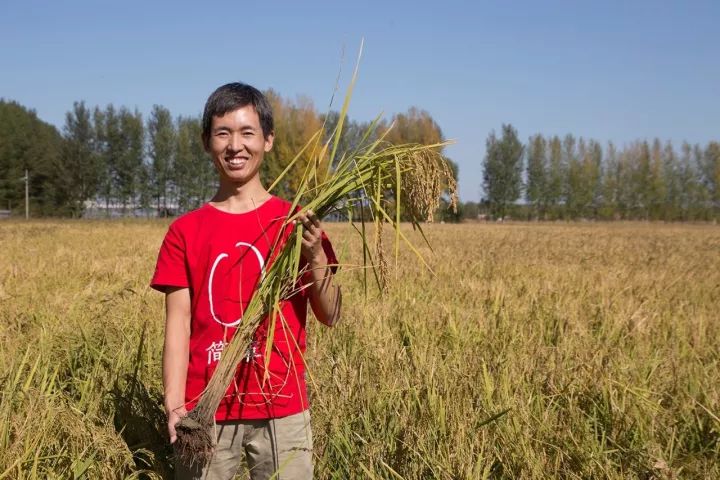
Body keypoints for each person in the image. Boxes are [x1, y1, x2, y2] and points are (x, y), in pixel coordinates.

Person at [150, 82, 341, 480]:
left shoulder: (297, 224)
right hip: (205, 411)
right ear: (207, 142)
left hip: (282, 409)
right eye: (223, 133)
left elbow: (332, 314)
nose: (235, 145)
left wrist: (317, 257)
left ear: (268, 141)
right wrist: (174, 405)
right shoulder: (185, 232)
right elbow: (178, 325)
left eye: (247, 133)